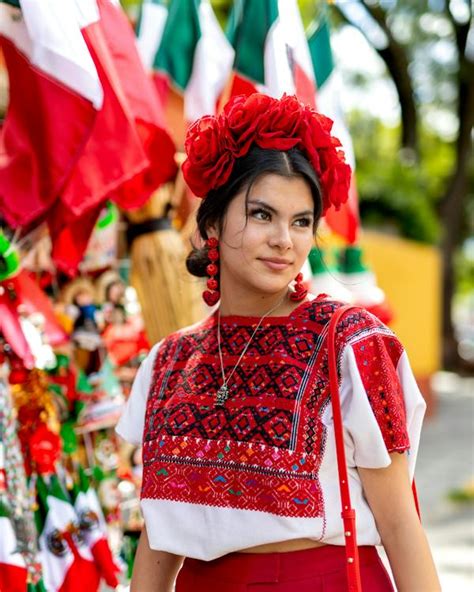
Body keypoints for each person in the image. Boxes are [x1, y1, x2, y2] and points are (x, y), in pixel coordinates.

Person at [116, 93, 440, 592]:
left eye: (301, 221)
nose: (284, 240)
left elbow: (400, 523)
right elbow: (160, 538)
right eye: (262, 215)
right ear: (212, 224)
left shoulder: (351, 344)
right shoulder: (167, 361)